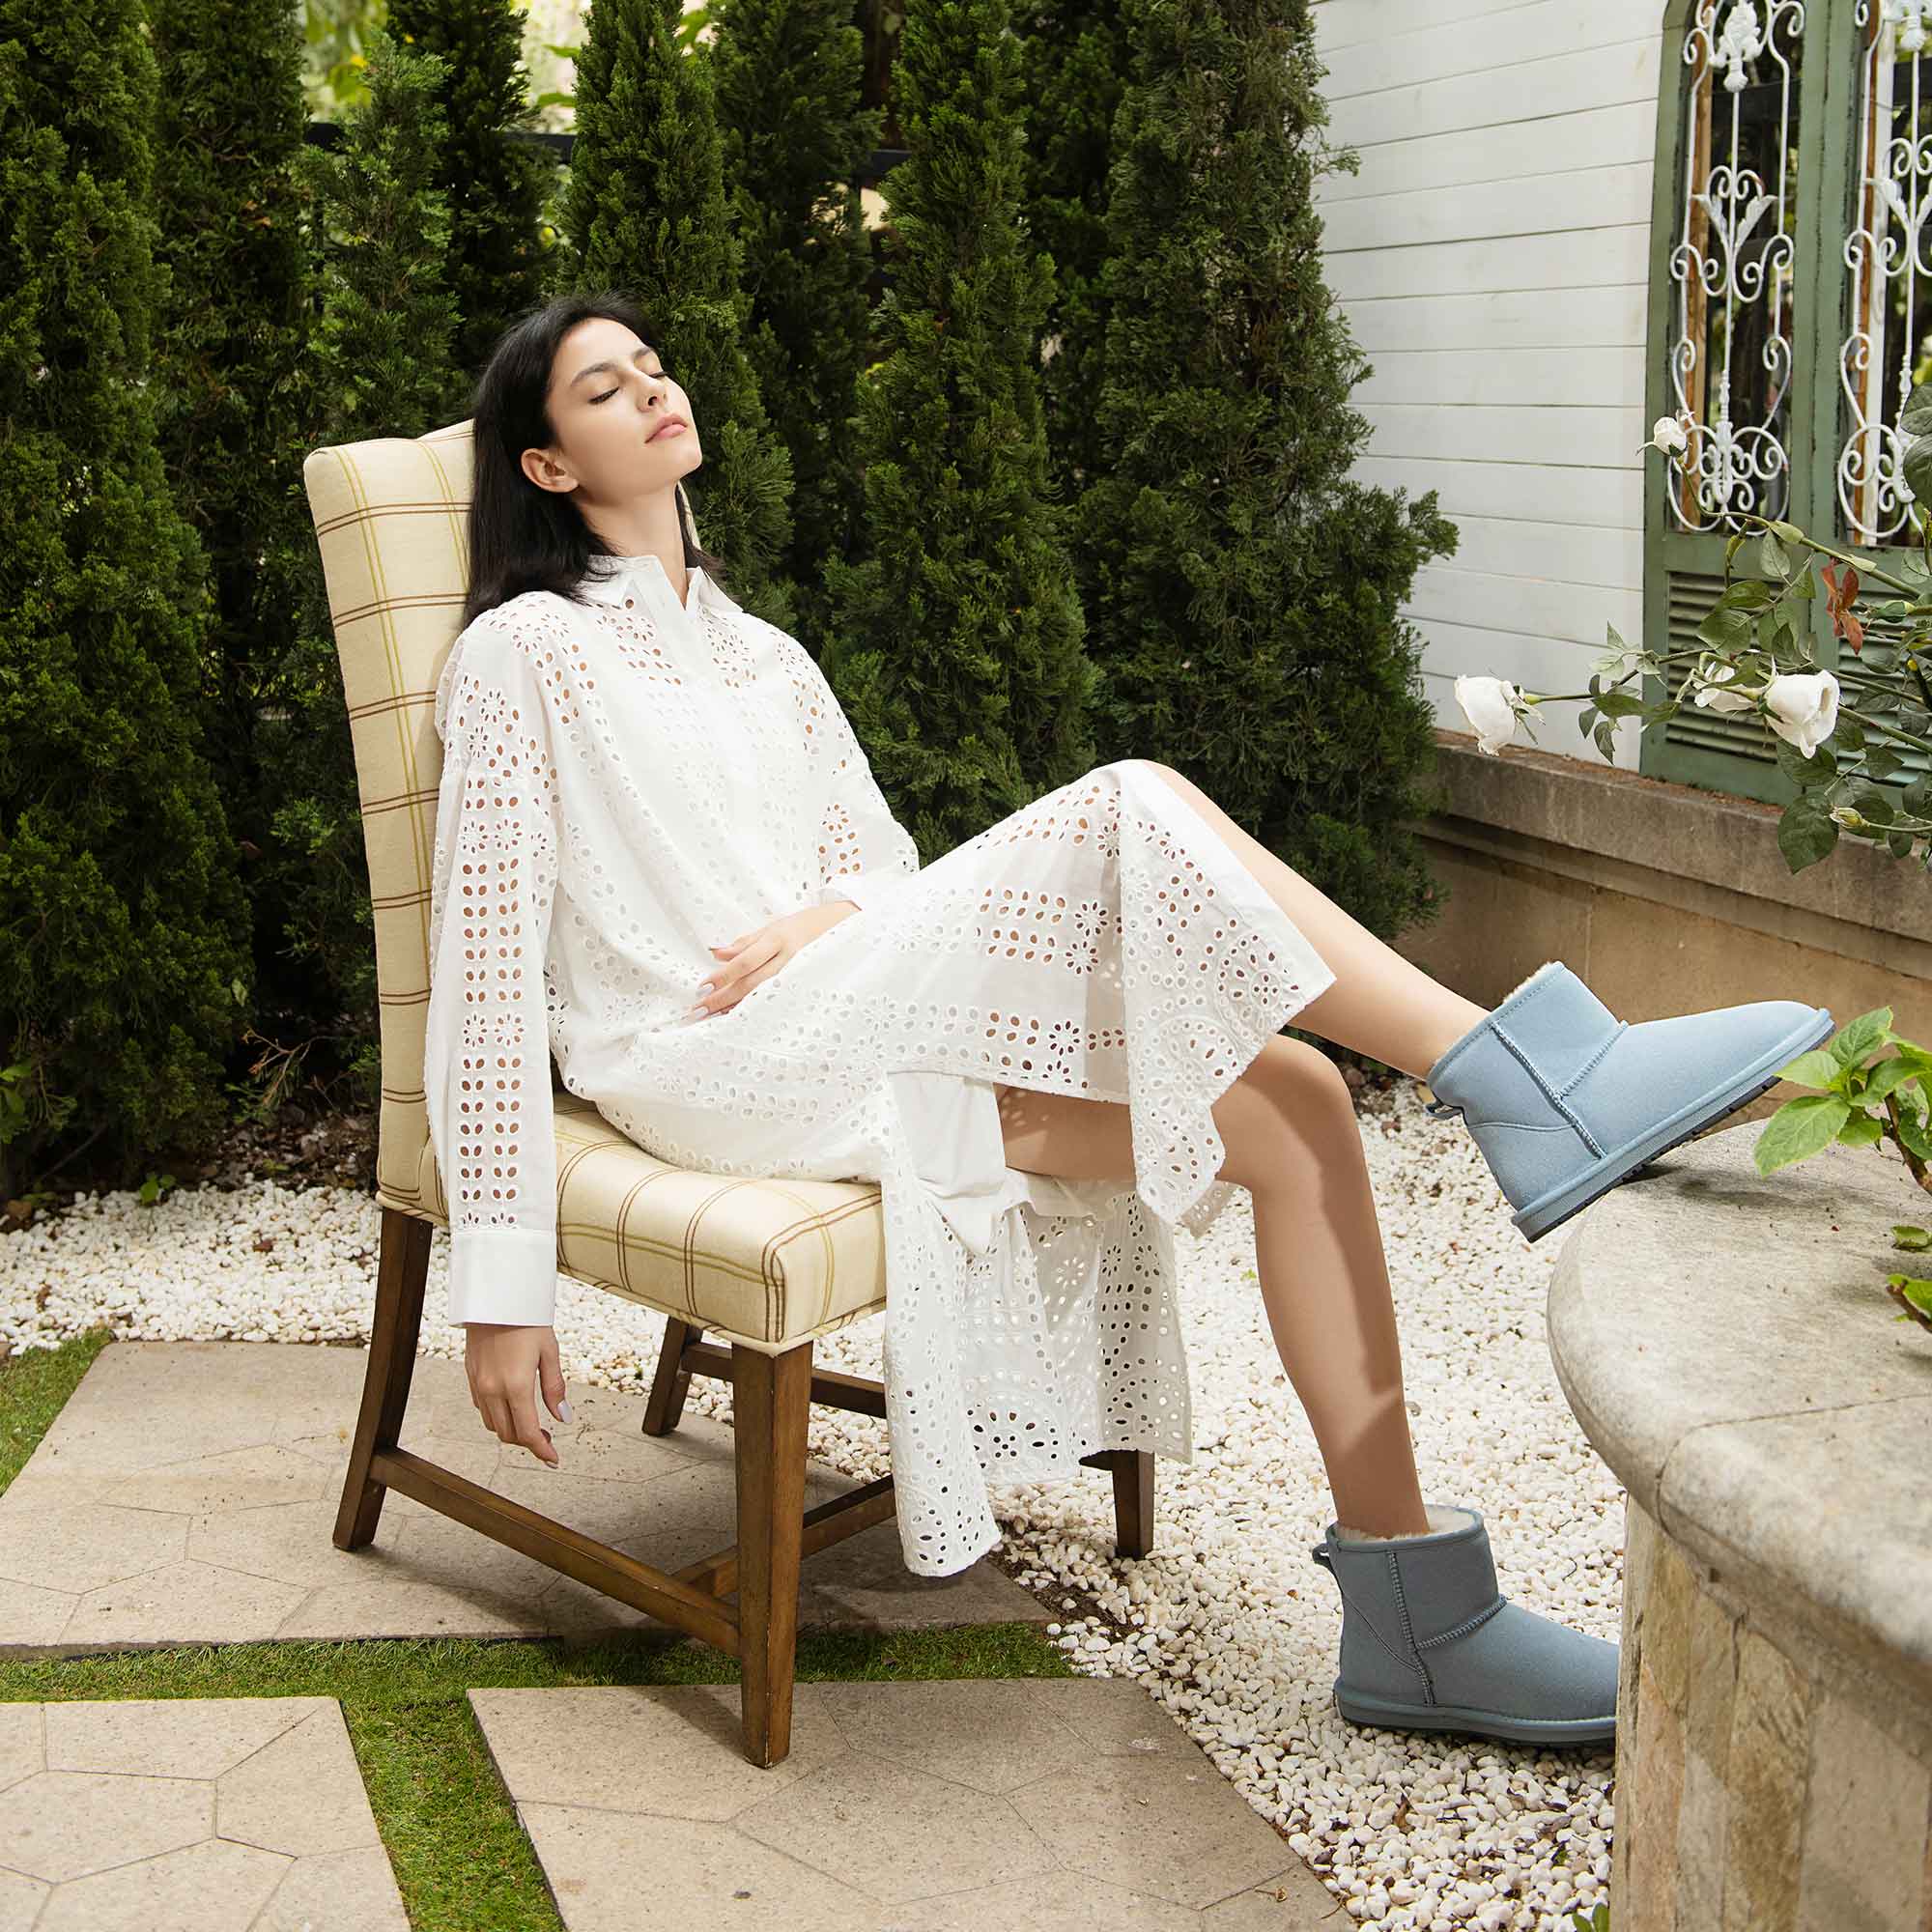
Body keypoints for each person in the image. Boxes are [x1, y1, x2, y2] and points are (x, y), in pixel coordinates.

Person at [425, 290, 1833, 1749]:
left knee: (1293, 1104)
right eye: (605, 388)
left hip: (851, 1001)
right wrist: (503, 1285)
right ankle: (1536, 1078)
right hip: (710, 1058)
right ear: (546, 467)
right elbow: (481, 965)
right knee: (1138, 798)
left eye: (654, 366)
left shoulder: (765, 654)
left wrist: (828, 914)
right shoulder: (522, 653)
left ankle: (1422, 1612)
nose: (655, 389)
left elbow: (883, 862)